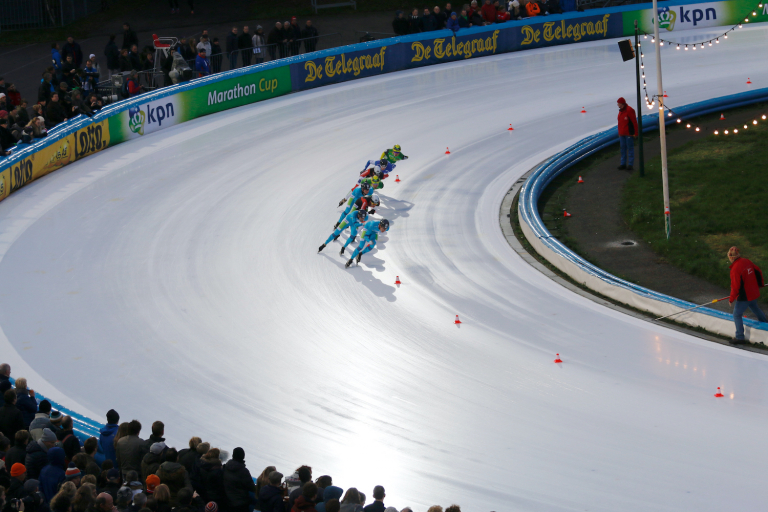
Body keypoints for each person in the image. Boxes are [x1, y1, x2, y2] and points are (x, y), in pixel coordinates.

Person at [728, 246, 767, 344]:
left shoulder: (735, 269)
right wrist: (760, 284)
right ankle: (765, 324)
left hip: (745, 296)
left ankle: (740, 337)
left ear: (730, 257)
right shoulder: (747, 261)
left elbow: (735, 286)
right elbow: (758, 271)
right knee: (755, 308)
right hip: (753, 292)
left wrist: (731, 299)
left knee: (737, 314)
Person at [222, 448, 255, 512]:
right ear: (243, 457)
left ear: (233, 455)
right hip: (239, 504)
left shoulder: (225, 467)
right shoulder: (244, 471)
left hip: (226, 500)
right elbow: (252, 487)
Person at [616, 97, 638, 170]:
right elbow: (620, 123)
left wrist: (635, 133)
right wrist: (619, 132)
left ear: (622, 104)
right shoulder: (621, 111)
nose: (617, 104)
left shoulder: (629, 110)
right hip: (622, 134)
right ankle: (623, 164)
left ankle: (630, 164)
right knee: (623, 149)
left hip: (629, 133)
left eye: (618, 103)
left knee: (630, 148)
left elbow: (634, 122)